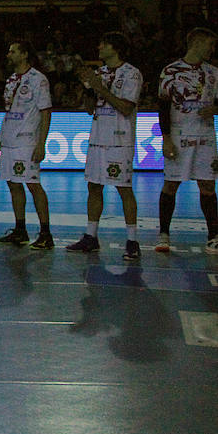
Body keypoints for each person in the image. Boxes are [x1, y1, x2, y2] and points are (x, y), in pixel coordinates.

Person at [66, 31, 143, 261]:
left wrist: (100, 88)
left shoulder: (132, 73)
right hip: (97, 137)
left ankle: (132, 241)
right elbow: (90, 108)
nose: (99, 46)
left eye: (104, 43)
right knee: (94, 187)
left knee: (123, 188)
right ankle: (91, 237)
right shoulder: (99, 73)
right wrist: (89, 88)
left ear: (115, 48)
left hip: (119, 140)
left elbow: (126, 108)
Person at [154, 27, 218, 253]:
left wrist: (215, 109)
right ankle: (163, 234)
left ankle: (213, 236)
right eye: (210, 44)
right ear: (197, 43)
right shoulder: (170, 71)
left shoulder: (214, 72)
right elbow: (162, 106)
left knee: (208, 185)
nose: (213, 49)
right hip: (179, 136)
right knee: (171, 184)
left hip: (206, 137)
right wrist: (166, 138)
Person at [0, 41, 54, 249]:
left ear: (25, 54)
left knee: (33, 185)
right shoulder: (11, 80)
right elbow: (8, 113)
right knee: (13, 184)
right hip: (9, 140)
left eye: (13, 51)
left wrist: (41, 143)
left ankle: (46, 233)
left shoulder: (38, 79)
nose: (9, 54)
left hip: (27, 141)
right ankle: (20, 230)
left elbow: (46, 111)